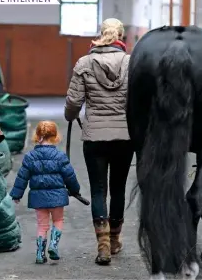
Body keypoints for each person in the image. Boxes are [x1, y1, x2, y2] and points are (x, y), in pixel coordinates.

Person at [64, 18, 134, 265]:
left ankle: (102, 247)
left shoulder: (84, 63)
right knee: (118, 189)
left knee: (98, 190)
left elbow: (73, 102)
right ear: (121, 37)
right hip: (124, 138)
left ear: (101, 35)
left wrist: (70, 116)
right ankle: (115, 240)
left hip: (95, 138)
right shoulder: (130, 63)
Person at [9, 121, 80, 264]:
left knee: (42, 225)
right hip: (57, 197)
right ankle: (53, 245)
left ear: (37, 135)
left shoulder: (30, 157)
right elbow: (70, 176)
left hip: (39, 198)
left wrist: (17, 194)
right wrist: (74, 190)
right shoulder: (60, 156)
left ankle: (40, 254)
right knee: (58, 221)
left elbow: (22, 177)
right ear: (55, 136)